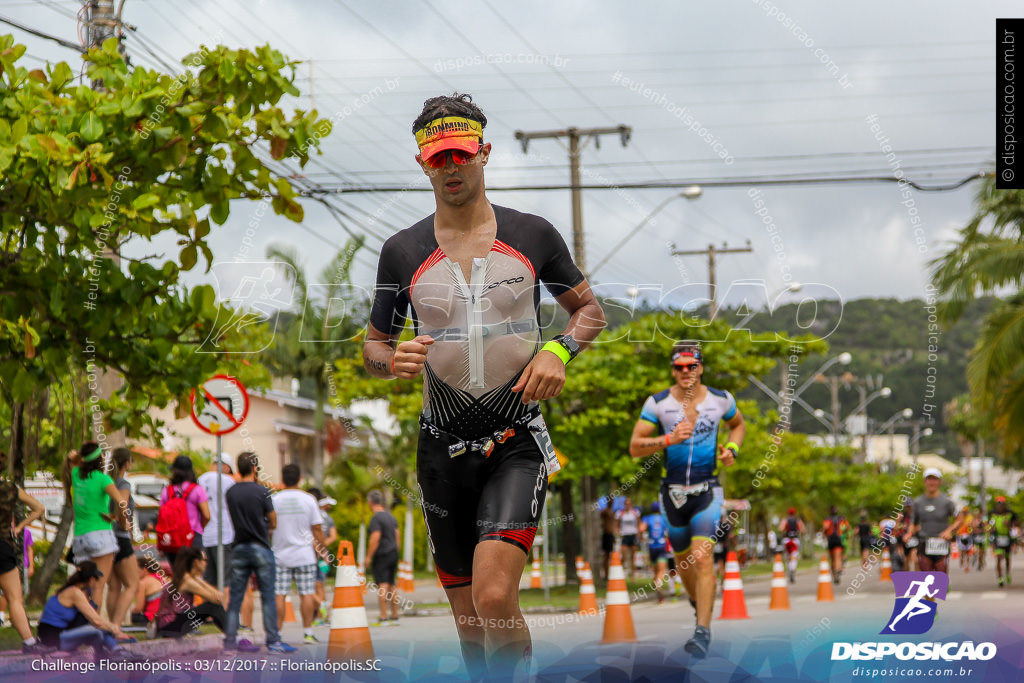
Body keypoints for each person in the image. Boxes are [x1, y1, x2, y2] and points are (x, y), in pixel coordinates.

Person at [363, 93, 605, 675]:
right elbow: (372, 345)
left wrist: (557, 350)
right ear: (422, 162)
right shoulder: (402, 251)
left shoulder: (533, 234)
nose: (450, 168)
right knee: (471, 626)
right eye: (437, 158)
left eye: (460, 155)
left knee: (496, 599)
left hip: (515, 440)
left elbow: (590, 313)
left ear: (484, 153)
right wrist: (389, 359)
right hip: (439, 448)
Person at [628, 342, 745, 658]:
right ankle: (698, 604)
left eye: (691, 366)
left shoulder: (721, 400)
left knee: (703, 557)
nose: (685, 372)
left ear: (701, 368)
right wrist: (668, 439)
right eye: (679, 367)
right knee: (684, 564)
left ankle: (702, 631)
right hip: (672, 494)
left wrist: (732, 450)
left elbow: (738, 426)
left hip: (708, 490)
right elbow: (635, 447)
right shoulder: (658, 404)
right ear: (673, 370)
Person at [223, 451, 295, 654]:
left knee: (235, 597)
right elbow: (273, 520)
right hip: (261, 547)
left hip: (238, 547)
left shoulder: (231, 492)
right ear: (255, 468)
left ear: (238, 468)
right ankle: (273, 641)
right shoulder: (262, 491)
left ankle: (229, 643)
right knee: (267, 596)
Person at [67, 443, 131, 637]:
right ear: (100, 459)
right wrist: (121, 519)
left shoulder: (76, 474)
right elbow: (121, 501)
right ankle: (93, 630)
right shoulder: (103, 479)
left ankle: (79, 626)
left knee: (83, 585)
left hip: (79, 538)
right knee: (98, 586)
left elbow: (72, 456)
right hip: (101, 536)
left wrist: (78, 455)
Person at [0, 453, 54, 654]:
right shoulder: (11, 489)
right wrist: (19, 527)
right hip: (3, 546)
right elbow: (39, 508)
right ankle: (30, 642)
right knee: (14, 598)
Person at [36, 562, 143, 661]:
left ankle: (113, 652)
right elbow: (96, 621)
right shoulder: (74, 593)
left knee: (97, 633)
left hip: (57, 635)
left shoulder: (69, 590)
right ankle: (114, 652)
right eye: (96, 579)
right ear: (91, 579)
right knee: (96, 630)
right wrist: (114, 629)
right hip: (53, 640)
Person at [271, 464, 324, 644]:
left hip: (280, 555)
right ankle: (308, 632)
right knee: (306, 594)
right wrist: (321, 550)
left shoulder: (275, 500)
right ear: (300, 478)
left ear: (283, 479)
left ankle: (277, 634)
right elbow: (317, 528)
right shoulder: (309, 500)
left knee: (279, 595)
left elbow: (269, 525)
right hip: (304, 554)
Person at [154, 547, 227, 638]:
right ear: (196, 562)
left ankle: (231, 633)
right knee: (212, 607)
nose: (206, 563)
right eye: (205, 560)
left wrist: (197, 578)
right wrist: (198, 580)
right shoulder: (188, 581)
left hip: (167, 627)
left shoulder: (184, 577)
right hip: (169, 627)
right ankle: (232, 634)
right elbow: (217, 599)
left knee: (212, 607)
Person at [104, 447, 139, 632]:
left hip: (107, 537)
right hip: (121, 537)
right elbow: (122, 503)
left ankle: (111, 626)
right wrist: (124, 523)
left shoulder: (105, 481)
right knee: (133, 584)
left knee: (114, 586)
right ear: (127, 463)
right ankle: (117, 626)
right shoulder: (123, 483)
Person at [905, 468, 964, 575]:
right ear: (924, 482)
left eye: (935, 479)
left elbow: (959, 519)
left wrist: (949, 531)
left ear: (939, 482)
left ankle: (942, 586)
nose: (931, 482)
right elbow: (913, 523)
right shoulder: (918, 502)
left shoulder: (947, 502)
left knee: (940, 575)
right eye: (929, 479)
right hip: (924, 542)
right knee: (925, 576)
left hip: (941, 543)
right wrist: (909, 533)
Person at [158, 455, 210, 569]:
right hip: (192, 537)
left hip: (172, 539)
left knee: (178, 575)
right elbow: (207, 515)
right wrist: (200, 527)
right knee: (193, 575)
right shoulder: (197, 489)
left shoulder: (167, 490)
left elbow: (161, 515)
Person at [198, 453, 235, 598]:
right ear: (226, 467)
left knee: (209, 579)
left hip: (206, 536)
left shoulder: (201, 479)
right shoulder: (228, 481)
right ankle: (225, 613)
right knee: (226, 580)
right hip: (224, 535)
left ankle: (210, 613)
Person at [364, 490, 401, 626]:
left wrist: (368, 557)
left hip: (382, 554)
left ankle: (384, 615)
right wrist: (396, 551)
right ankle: (395, 614)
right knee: (392, 584)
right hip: (393, 553)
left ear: (370, 503)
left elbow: (375, 538)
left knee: (383, 585)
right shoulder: (391, 517)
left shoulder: (376, 518)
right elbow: (397, 535)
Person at [307, 488, 338, 625]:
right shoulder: (328, 518)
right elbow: (333, 536)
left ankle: (321, 606)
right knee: (320, 585)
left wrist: (317, 548)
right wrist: (324, 546)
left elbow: (312, 534)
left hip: (312, 554)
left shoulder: (311, 514)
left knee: (310, 586)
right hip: (324, 554)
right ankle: (321, 618)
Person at [640, 502, 669, 603]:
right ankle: (658, 584)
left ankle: (657, 586)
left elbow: (641, 529)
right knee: (662, 570)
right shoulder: (663, 518)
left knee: (655, 571)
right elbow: (668, 531)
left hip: (652, 546)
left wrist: (641, 538)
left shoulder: (647, 518)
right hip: (661, 546)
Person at [990, 496, 1019, 587]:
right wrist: (990, 528)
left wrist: (1010, 524)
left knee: (1007, 558)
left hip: (1007, 538)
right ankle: (1000, 577)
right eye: (998, 504)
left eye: (1001, 504)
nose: (1000, 506)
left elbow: (1017, 523)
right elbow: (988, 523)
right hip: (998, 538)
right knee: (998, 557)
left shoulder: (1010, 513)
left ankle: (1007, 573)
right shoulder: (992, 513)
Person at [131, 555, 166, 626]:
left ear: (144, 569)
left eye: (136, 568)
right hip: (167, 617)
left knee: (133, 616)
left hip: (153, 618)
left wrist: (129, 612)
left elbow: (138, 608)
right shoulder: (162, 578)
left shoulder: (143, 583)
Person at [821, 506, 850, 584]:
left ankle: (834, 575)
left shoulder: (828, 519)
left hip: (830, 539)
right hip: (838, 539)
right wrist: (846, 534)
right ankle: (838, 570)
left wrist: (824, 535)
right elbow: (847, 527)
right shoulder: (841, 519)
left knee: (832, 558)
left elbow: (825, 527)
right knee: (838, 557)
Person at [778, 508, 806, 583]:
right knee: (794, 556)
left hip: (786, 540)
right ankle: (792, 569)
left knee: (787, 556)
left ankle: (789, 569)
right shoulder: (798, 520)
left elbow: (780, 529)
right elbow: (804, 530)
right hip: (795, 540)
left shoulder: (785, 520)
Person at [616, 498, 641, 580]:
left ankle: (633, 576)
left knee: (632, 557)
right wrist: (618, 532)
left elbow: (639, 524)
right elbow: (616, 524)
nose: (627, 505)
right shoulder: (620, 513)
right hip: (625, 536)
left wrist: (639, 535)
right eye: (626, 504)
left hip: (633, 535)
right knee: (623, 556)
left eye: (629, 504)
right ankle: (622, 574)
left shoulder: (635, 512)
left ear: (631, 505)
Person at [599, 496, 617, 583]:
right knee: (606, 556)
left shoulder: (612, 512)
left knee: (610, 555)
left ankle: (609, 574)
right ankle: (606, 574)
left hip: (611, 535)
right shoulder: (605, 511)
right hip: (606, 535)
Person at [955, 507, 974, 572]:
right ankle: (962, 560)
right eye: (964, 511)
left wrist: (970, 530)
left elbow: (971, 526)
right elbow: (957, 525)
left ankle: (967, 565)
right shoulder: (960, 517)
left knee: (968, 551)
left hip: (968, 536)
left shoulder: (970, 517)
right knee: (962, 551)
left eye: (966, 511)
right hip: (960, 535)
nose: (965, 512)